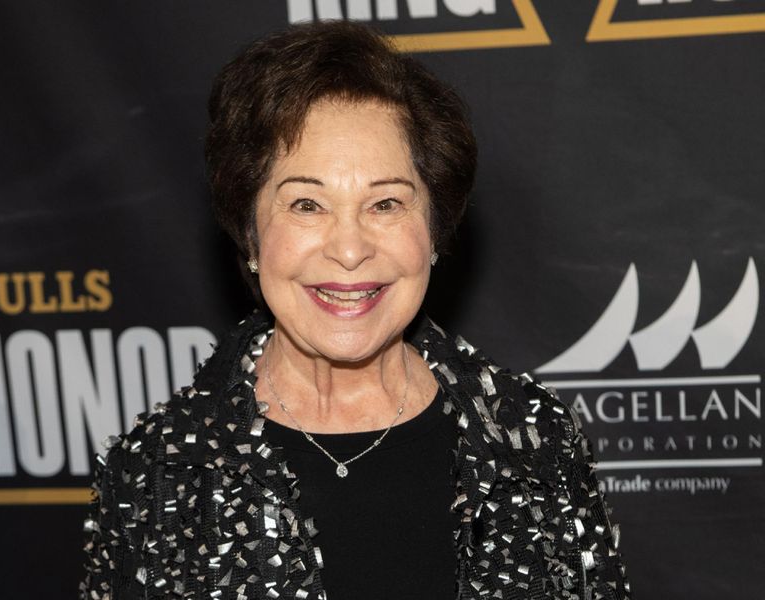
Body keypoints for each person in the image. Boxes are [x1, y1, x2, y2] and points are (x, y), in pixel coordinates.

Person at [81, 21, 631, 600]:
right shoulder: (154, 472)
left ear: (435, 231)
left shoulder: (536, 441)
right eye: (307, 204)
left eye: (386, 203)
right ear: (250, 233)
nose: (349, 249)